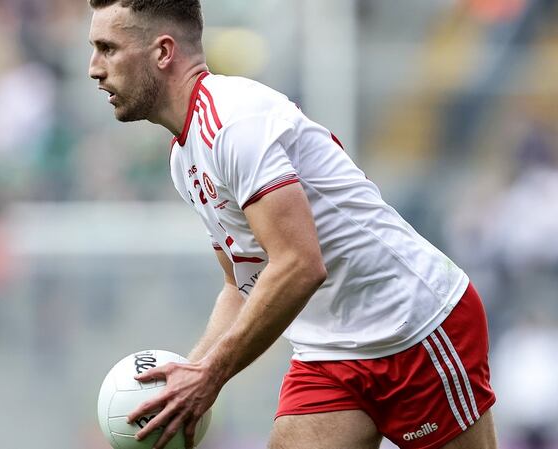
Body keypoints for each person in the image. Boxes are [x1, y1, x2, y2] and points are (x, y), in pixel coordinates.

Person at [86, 1, 497, 449]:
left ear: (163, 52)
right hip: (327, 350)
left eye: (107, 48)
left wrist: (210, 374)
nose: (94, 68)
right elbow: (239, 285)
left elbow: (300, 264)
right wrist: (186, 378)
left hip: (410, 326)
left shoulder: (234, 121)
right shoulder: (184, 157)